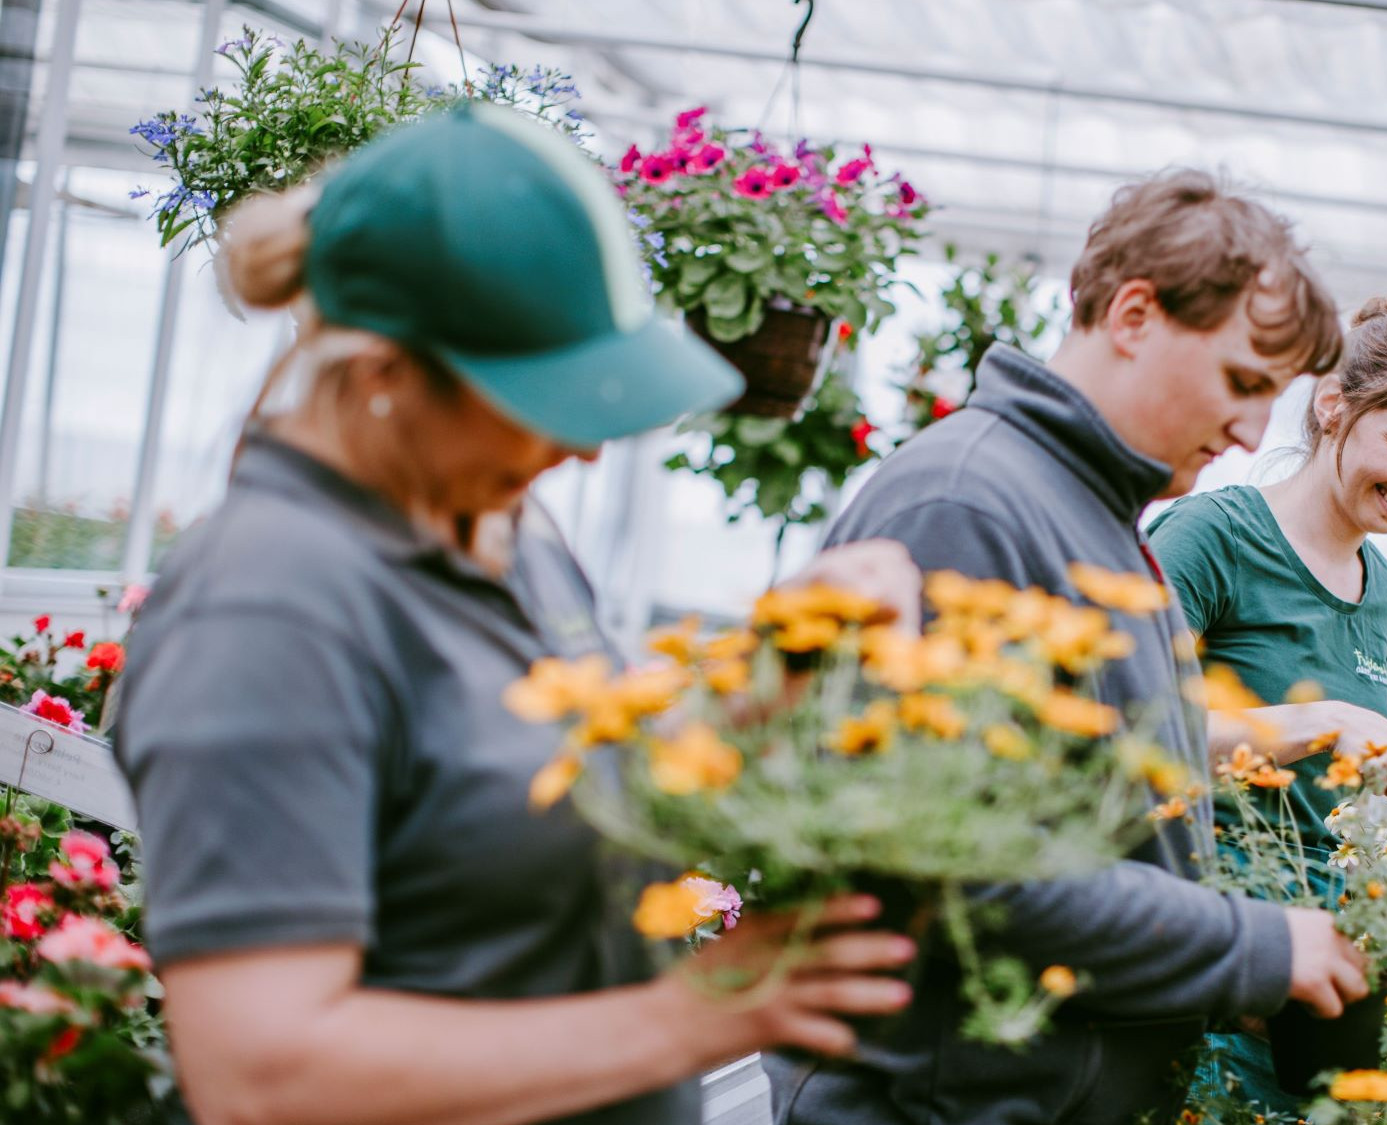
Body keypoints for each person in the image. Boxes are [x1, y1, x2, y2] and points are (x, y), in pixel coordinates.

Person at [113, 104, 923, 1125]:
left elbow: (581, 758)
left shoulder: (499, 522)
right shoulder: (269, 607)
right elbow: (263, 1076)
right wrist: (691, 1018)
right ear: (384, 377)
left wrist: (777, 667)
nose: (584, 449)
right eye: (544, 398)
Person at [763, 170, 1375, 1125]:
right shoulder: (967, 504)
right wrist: (1252, 947)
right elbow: (958, 866)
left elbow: (1099, 815)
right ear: (1134, 315)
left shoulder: (1095, 515)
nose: (1255, 431)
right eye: (1244, 382)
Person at [1148, 287, 1387, 1116]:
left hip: (1318, 982)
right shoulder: (1210, 539)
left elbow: (1329, 805)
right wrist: (1315, 722)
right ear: (1334, 405)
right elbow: (1128, 734)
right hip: (1203, 967)